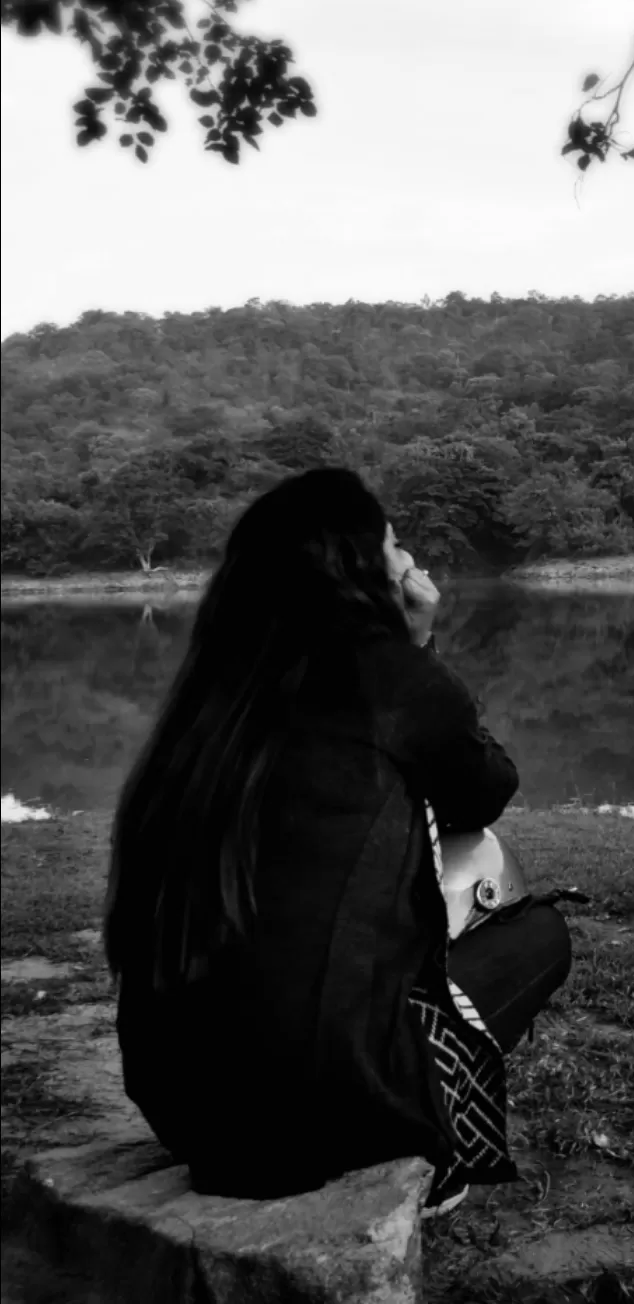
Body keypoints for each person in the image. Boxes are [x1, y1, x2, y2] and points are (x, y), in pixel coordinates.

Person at [103, 467, 571, 1211]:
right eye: (392, 543)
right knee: (541, 934)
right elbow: (485, 791)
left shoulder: (210, 698)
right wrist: (417, 645)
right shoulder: (392, 677)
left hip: (181, 1107)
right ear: (356, 567)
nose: (408, 555)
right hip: (321, 1109)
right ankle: (431, 1136)